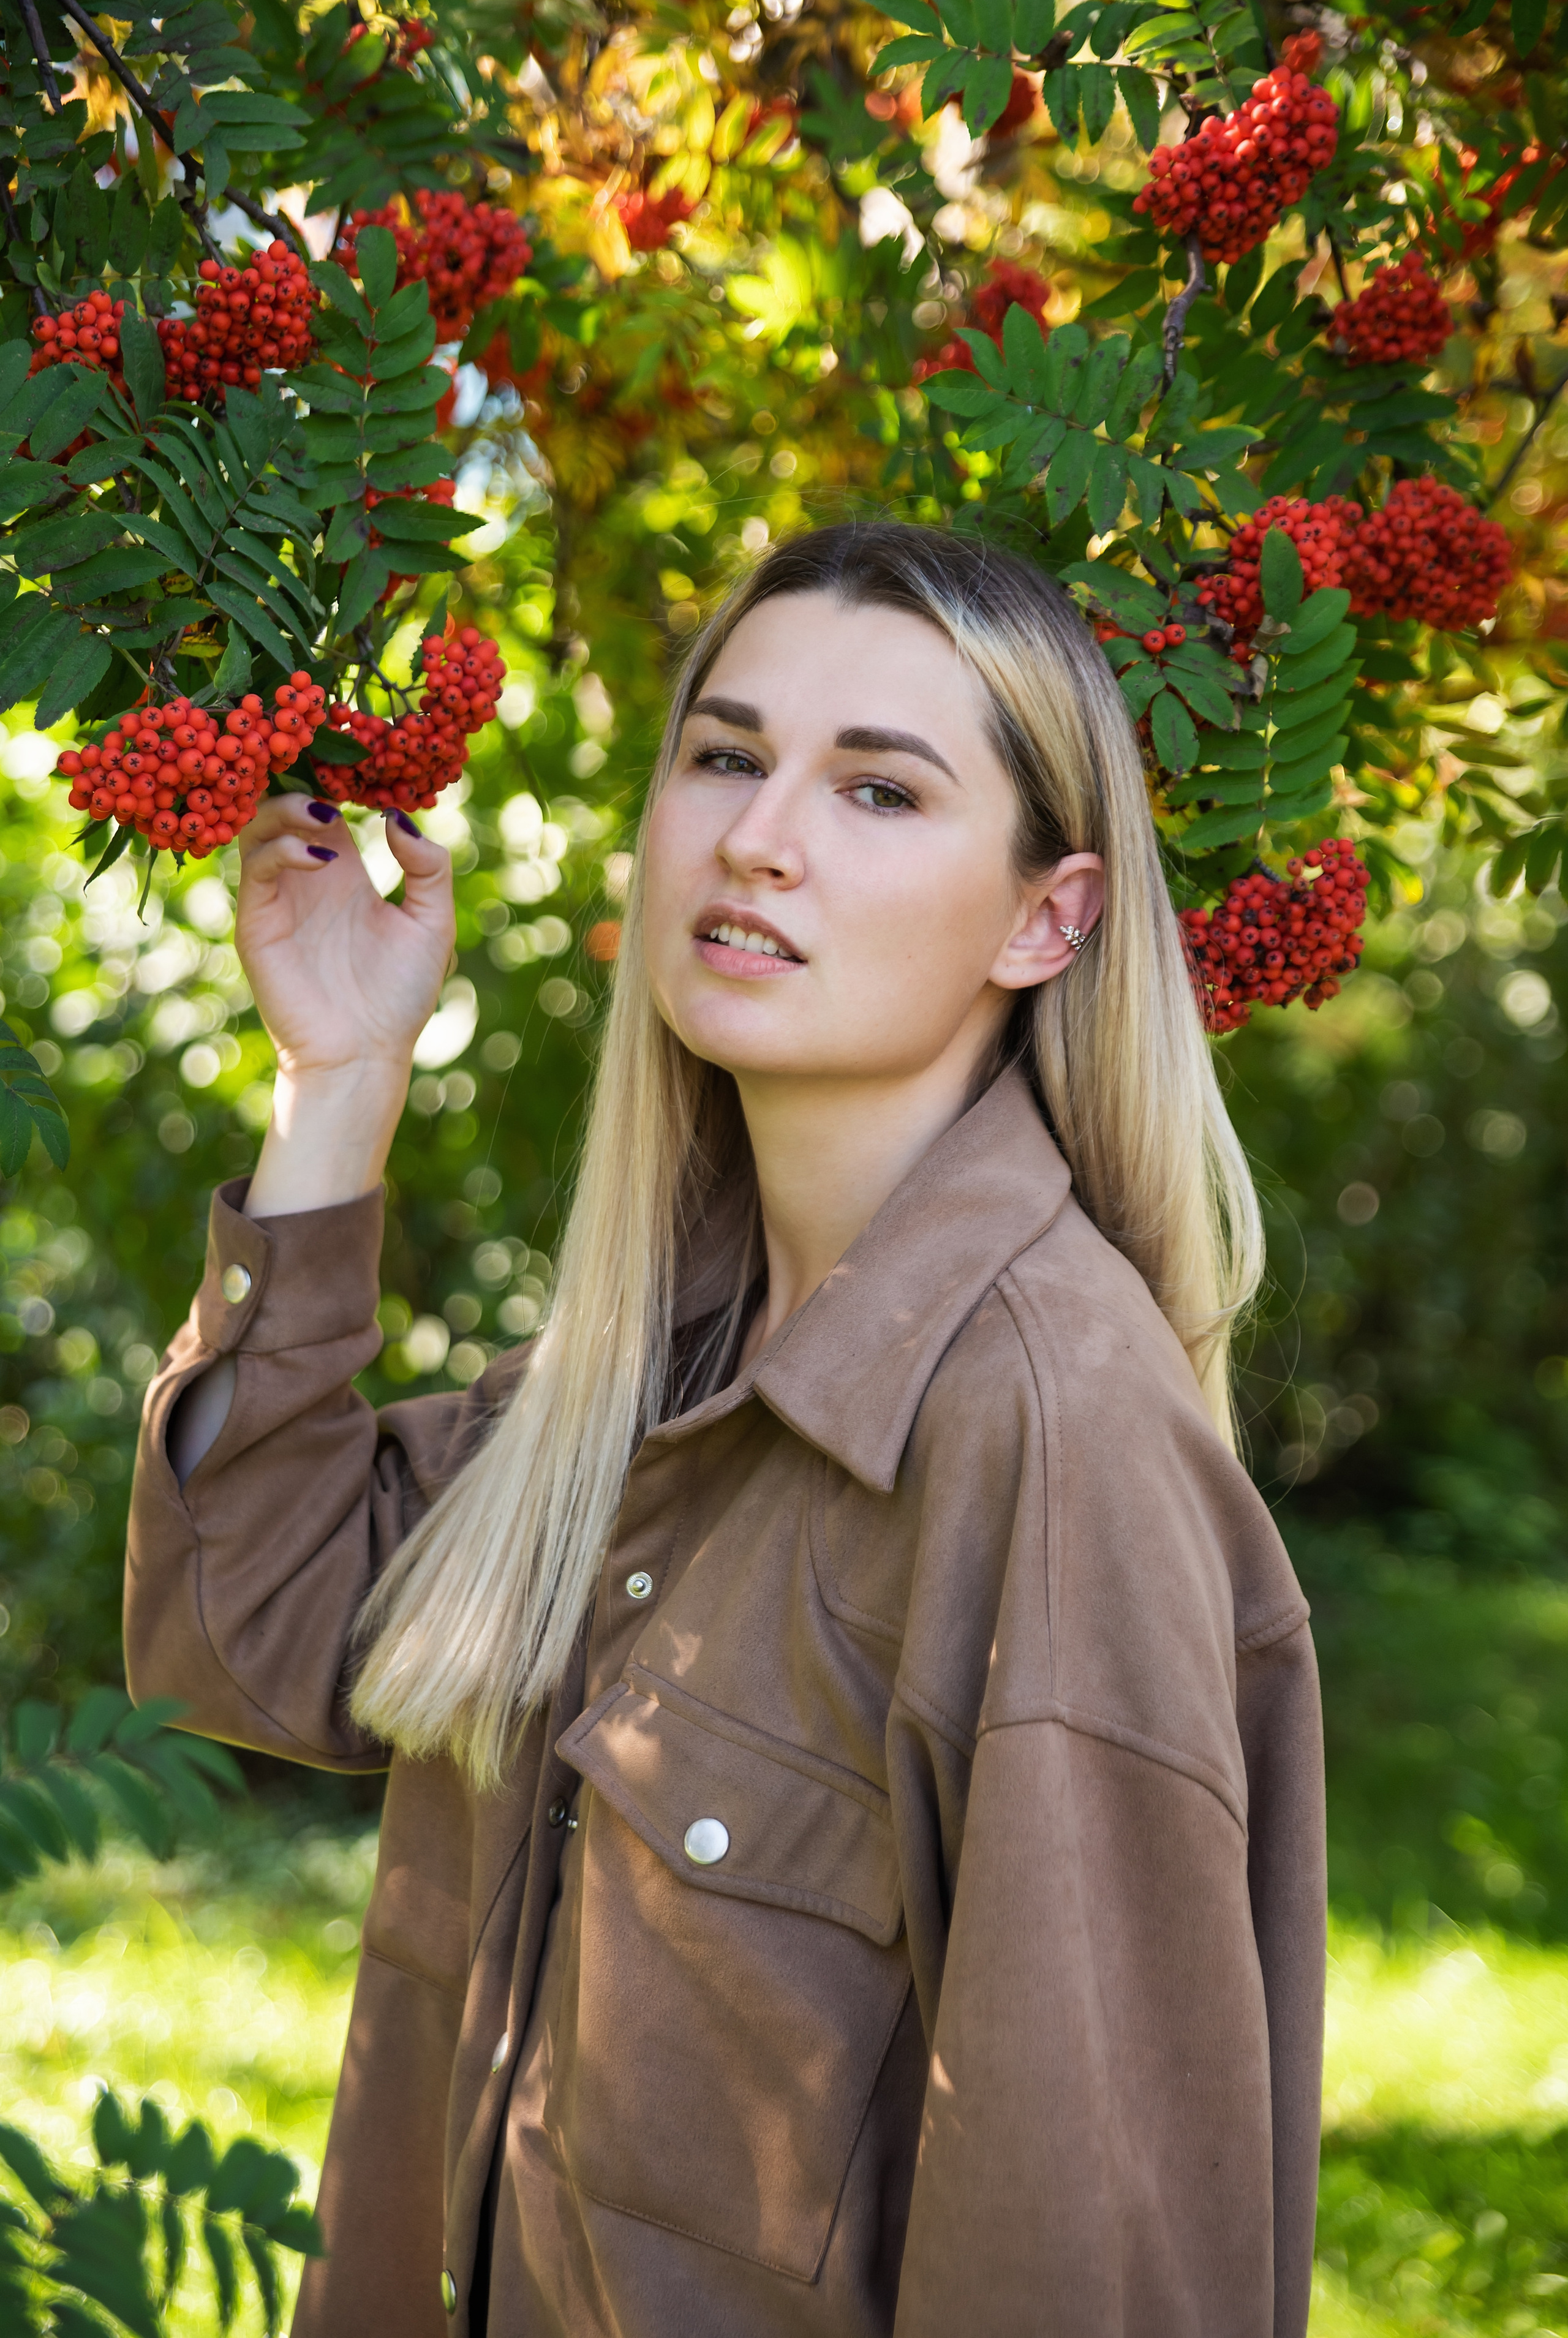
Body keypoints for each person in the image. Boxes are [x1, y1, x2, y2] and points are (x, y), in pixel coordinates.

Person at [126, 522, 1325, 2338]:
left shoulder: (1048, 1430)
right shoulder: (660, 1362)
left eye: (880, 789)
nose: (763, 834)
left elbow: (1089, 2259)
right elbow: (253, 1626)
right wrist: (339, 1082)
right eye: (729, 752)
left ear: (1047, 915)